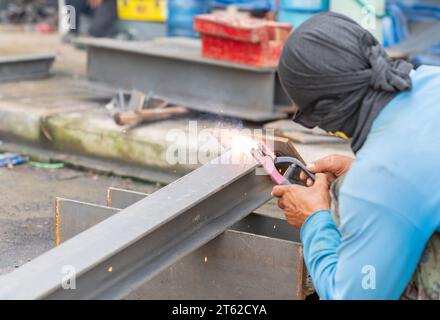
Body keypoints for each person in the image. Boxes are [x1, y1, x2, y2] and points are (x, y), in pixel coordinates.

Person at [272, 12, 440, 300]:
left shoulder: (380, 179)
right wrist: (362, 172)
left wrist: (314, 221)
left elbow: (353, 296)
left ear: (326, 111)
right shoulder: (431, 79)